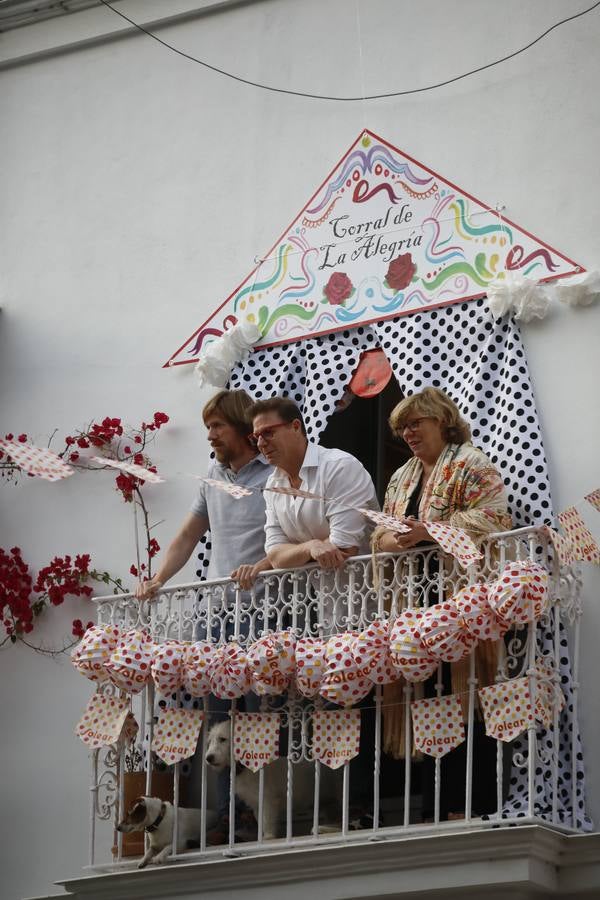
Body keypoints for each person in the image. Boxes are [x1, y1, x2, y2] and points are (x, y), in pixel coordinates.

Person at [135, 388, 273, 843]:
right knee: (218, 718)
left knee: (256, 716)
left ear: (241, 428)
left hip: (265, 609)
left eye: (217, 426)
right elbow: (188, 534)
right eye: (208, 427)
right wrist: (158, 578)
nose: (210, 435)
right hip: (215, 614)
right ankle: (224, 817)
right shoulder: (212, 474)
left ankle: (256, 813)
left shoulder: (273, 472)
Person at [371, 386, 512, 821]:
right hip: (415, 601)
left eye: (416, 423)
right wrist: (393, 538)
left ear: (442, 421)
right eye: (402, 427)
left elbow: (495, 518)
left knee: (467, 697)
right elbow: (379, 533)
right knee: (427, 700)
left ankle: (467, 803)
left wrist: (427, 531)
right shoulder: (401, 476)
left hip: (460, 599)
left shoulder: (471, 462)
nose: (408, 433)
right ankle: (434, 805)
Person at [249, 396, 380, 829]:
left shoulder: (338, 467)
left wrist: (298, 552)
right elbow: (273, 551)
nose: (262, 442)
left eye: (269, 432)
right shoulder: (272, 484)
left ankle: (362, 806)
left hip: (369, 606)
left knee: (362, 704)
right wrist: (306, 547)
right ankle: (335, 806)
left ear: (297, 426)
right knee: (327, 709)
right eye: (256, 436)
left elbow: (343, 545)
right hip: (318, 614)